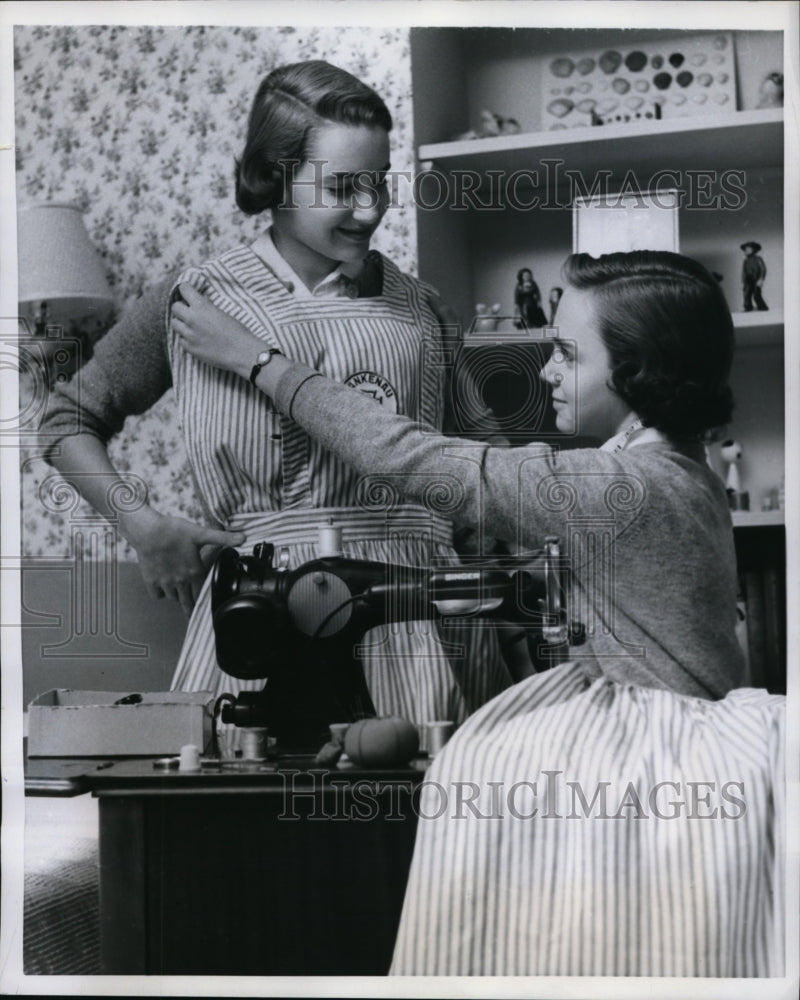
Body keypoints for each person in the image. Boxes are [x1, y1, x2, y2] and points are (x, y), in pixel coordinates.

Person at [41, 60, 512, 732]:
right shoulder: (194, 298)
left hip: (421, 620)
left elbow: (488, 472)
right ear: (276, 176)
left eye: (379, 184)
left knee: (421, 827)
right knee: (255, 823)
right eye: (344, 187)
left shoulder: (421, 309)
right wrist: (142, 527)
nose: (370, 209)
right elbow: (64, 419)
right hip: (260, 618)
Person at [171, 249, 747, 699]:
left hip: (656, 756)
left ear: (637, 370)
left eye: (568, 355)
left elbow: (408, 456)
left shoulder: (623, 489)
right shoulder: (684, 478)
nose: (547, 370)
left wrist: (261, 361)